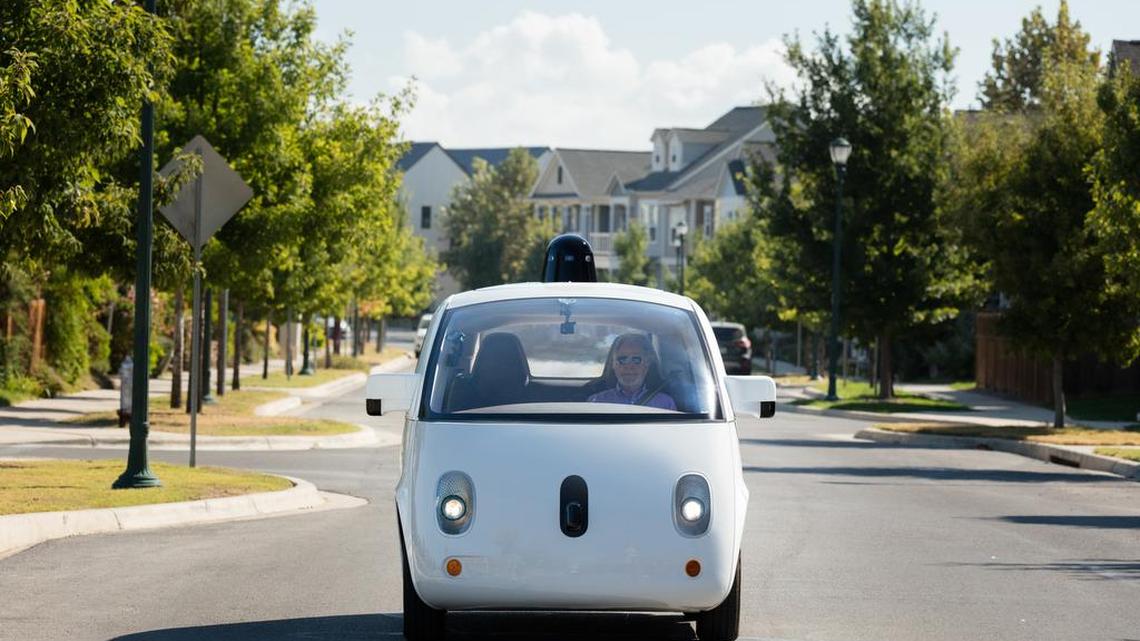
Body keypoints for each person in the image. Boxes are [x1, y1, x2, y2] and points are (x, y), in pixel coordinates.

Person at [587, 333, 676, 410]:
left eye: (636, 359)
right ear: (613, 364)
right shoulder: (596, 402)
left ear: (647, 364)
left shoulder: (665, 404)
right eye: (622, 359)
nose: (629, 366)